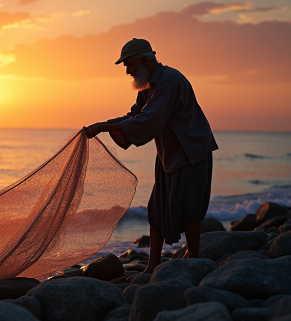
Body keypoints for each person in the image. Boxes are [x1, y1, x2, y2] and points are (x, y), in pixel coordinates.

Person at [85, 38, 218, 274]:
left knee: (190, 210)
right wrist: (102, 125)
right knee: (156, 209)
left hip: (190, 151)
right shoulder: (148, 86)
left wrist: (104, 128)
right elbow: (135, 115)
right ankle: (153, 265)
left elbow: (148, 121)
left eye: (129, 65)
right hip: (169, 153)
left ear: (144, 60)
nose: (127, 71)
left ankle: (195, 262)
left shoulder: (169, 81)